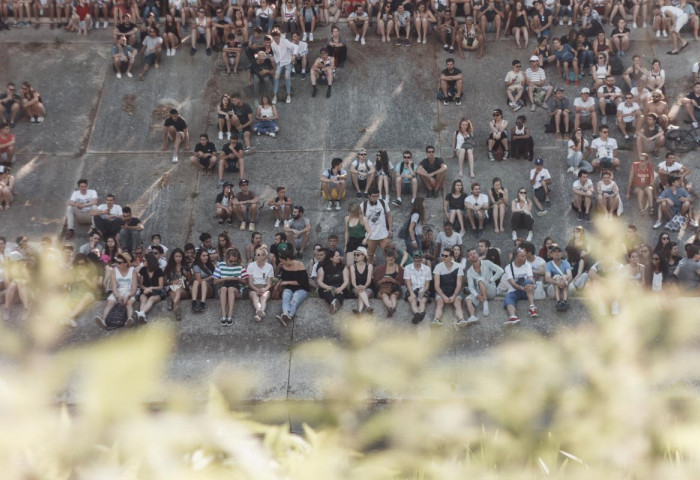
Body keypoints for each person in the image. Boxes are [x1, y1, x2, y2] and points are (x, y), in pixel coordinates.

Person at [95, 252, 137, 328]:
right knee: (110, 302)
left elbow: (134, 288)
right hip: (117, 292)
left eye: (120, 263)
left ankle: (129, 319)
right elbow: (114, 287)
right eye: (117, 262)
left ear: (126, 263)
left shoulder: (132, 271)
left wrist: (128, 296)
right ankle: (103, 320)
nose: (117, 264)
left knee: (129, 303)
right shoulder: (114, 271)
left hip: (129, 292)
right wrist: (118, 297)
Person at [464, 247, 503, 322]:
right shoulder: (469, 271)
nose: (473, 255)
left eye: (474, 253)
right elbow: (471, 287)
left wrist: (492, 279)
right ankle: (472, 317)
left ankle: (485, 303)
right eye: (470, 255)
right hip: (480, 292)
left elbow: (500, 270)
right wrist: (477, 296)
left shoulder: (487, 262)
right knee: (468, 299)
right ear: (468, 258)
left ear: (478, 254)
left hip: (491, 291)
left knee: (480, 279)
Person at [212, 247, 247, 324]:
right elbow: (215, 282)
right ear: (226, 258)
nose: (233, 263)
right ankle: (223, 315)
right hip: (223, 287)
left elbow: (245, 283)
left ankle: (230, 316)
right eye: (231, 261)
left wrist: (237, 279)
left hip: (236, 289)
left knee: (230, 289)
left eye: (235, 261)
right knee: (224, 288)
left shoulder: (240, 266)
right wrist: (226, 278)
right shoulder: (220, 265)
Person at [502, 247, 538, 324]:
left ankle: (532, 307)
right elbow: (512, 283)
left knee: (528, 281)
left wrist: (532, 285)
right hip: (515, 290)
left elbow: (530, 278)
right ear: (516, 257)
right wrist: (522, 288)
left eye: (525, 256)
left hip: (527, 290)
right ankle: (513, 317)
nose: (525, 258)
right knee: (508, 298)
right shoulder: (508, 267)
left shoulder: (527, 265)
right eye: (523, 256)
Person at [276, 248, 310, 326]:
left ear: (288, 259)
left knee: (294, 300)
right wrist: (279, 267)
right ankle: (285, 313)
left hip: (301, 288)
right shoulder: (283, 265)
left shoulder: (299, 264)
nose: (282, 262)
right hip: (289, 288)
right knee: (285, 296)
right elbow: (280, 276)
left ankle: (289, 316)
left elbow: (303, 282)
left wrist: (287, 282)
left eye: (283, 260)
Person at [360, 187, 392, 264]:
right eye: (373, 196)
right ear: (369, 196)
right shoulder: (363, 205)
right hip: (370, 236)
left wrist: (390, 229)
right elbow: (361, 220)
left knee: (389, 254)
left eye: (377, 196)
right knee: (369, 256)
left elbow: (389, 215)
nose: (375, 198)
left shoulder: (383, 203)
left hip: (383, 234)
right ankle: (370, 273)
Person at [317, 249, 349, 313]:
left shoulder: (343, 267)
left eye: (339, 256)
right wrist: (328, 287)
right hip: (326, 287)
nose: (339, 257)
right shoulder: (322, 267)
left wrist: (340, 288)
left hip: (339, 287)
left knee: (340, 294)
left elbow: (346, 280)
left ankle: (334, 304)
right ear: (331, 258)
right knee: (326, 293)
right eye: (337, 256)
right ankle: (334, 303)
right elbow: (319, 281)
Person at [246, 245, 274, 322]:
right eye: (255, 254)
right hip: (253, 288)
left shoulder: (269, 267)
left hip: (264, 287)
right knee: (255, 296)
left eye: (258, 255)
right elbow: (250, 283)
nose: (255, 256)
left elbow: (269, 284)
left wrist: (264, 289)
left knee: (263, 297)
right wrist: (257, 289)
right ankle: (259, 310)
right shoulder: (251, 265)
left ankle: (258, 315)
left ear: (264, 256)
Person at [403, 251, 432, 324]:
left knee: (423, 300)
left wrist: (423, 291)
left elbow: (427, 284)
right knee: (412, 300)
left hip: (423, 288)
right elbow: (408, 283)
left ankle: (421, 313)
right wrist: (412, 293)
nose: (417, 262)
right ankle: (417, 314)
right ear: (413, 260)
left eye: (419, 260)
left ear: (421, 260)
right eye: (415, 260)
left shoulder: (427, 269)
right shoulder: (407, 268)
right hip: (412, 289)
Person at [164, 248, 192, 321]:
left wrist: (188, 274)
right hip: (172, 288)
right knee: (173, 293)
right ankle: (177, 310)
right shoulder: (168, 268)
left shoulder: (186, 267)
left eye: (180, 256)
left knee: (178, 291)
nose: (178, 258)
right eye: (176, 256)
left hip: (184, 290)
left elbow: (191, 281)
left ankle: (174, 304)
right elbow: (164, 282)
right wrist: (172, 282)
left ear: (182, 257)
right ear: (173, 257)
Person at [544, 244, 573, 310]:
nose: (557, 253)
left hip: (565, 286)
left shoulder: (566, 263)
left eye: (559, 251)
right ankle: (558, 301)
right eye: (555, 252)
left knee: (564, 277)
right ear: (551, 254)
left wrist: (564, 282)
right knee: (557, 278)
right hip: (553, 288)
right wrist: (558, 282)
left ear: (562, 253)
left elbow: (570, 276)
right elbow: (547, 278)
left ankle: (563, 301)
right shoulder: (548, 264)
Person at [349, 246, 373, 314]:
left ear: (363, 256)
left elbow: (369, 280)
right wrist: (357, 287)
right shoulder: (352, 266)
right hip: (355, 288)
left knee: (362, 293)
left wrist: (364, 286)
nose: (356, 256)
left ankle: (359, 311)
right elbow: (353, 280)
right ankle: (368, 306)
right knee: (360, 291)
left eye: (358, 254)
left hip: (367, 287)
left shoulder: (369, 266)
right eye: (355, 254)